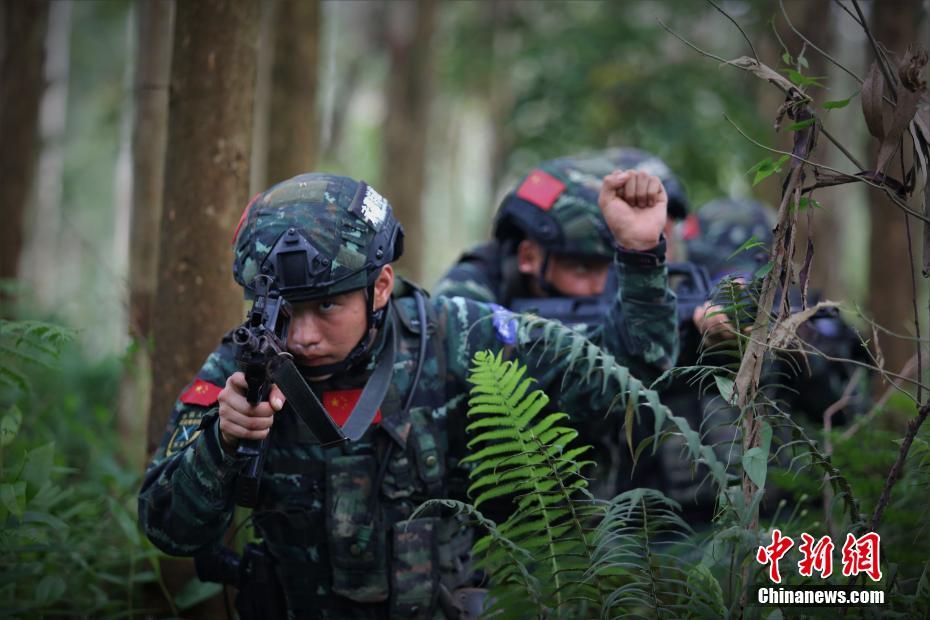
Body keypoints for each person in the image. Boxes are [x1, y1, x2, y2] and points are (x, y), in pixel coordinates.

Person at [138, 171, 676, 618]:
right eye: (285, 311)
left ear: (380, 286)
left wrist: (640, 253)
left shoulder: (462, 337)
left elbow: (625, 387)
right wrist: (221, 442)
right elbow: (167, 527)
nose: (302, 337)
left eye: (326, 307)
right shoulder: (244, 367)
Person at [434, 148, 688, 497]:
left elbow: (645, 367)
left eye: (608, 268)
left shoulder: (615, 289)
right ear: (528, 257)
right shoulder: (466, 293)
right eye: (581, 268)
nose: (599, 287)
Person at [659, 197, 868, 521]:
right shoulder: (672, 323)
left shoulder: (808, 320)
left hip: (794, 516)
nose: (736, 292)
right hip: (689, 520)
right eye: (722, 281)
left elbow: (849, 411)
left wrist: (794, 346)